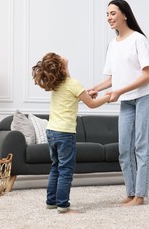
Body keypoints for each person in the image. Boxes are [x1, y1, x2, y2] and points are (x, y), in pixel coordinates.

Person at [88, 0, 149, 206]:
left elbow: (147, 76)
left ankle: (140, 195)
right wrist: (95, 89)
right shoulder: (112, 45)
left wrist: (119, 91)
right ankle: (130, 192)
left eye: (112, 13)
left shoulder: (139, 40)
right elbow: (112, 79)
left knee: (141, 146)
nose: (109, 18)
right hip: (127, 101)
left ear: (124, 15)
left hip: (145, 97)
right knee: (124, 149)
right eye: (107, 14)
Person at [32, 52, 110, 214]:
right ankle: (63, 206)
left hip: (52, 131)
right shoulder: (72, 83)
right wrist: (107, 97)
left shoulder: (57, 85)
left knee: (56, 167)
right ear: (61, 67)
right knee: (66, 169)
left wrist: (86, 94)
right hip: (64, 133)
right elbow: (92, 104)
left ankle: (51, 202)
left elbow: (72, 94)